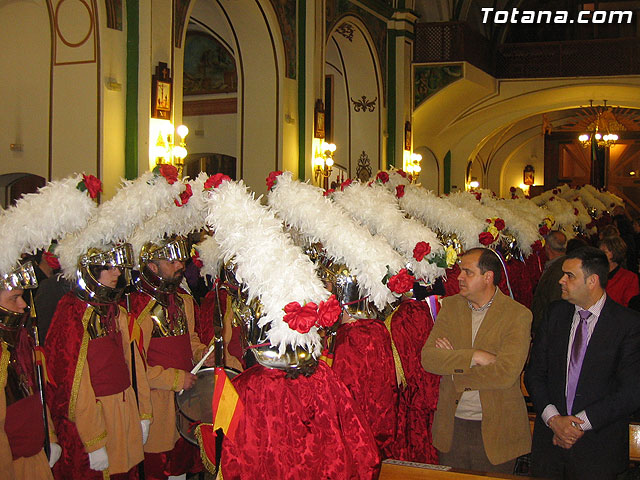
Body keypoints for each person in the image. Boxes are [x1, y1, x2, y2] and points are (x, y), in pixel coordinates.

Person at [525, 246, 640, 479]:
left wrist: (578, 425)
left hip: (598, 447)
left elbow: (631, 391)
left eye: (569, 275)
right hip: (550, 444)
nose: (561, 280)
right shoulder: (555, 314)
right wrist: (554, 420)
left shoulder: (627, 324)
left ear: (592, 281)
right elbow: (535, 373)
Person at [45, 246, 152, 480]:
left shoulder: (116, 312)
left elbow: (134, 364)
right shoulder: (73, 315)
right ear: (90, 270)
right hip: (97, 421)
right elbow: (74, 386)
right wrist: (93, 440)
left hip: (124, 413)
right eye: (108, 268)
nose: (117, 273)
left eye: (117, 267)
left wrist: (143, 412)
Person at [421, 248, 532, 473]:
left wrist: (454, 370)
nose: (459, 277)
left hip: (496, 430)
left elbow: (506, 374)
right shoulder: (450, 307)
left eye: (467, 272)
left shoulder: (517, 315)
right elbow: (429, 358)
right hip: (453, 428)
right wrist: (475, 356)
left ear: (488, 277)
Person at [128, 235, 212, 480]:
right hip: (156, 409)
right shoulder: (136, 308)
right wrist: (175, 379)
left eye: (180, 261)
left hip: (187, 404)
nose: (180, 266)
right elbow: (134, 368)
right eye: (172, 261)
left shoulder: (184, 301)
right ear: (152, 267)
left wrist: (201, 353)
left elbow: (191, 339)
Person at [0, 265, 60, 479]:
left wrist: (50, 437)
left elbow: (37, 395)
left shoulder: (22, 341)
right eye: (14, 298)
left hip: (36, 455)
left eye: (22, 297)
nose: (24, 304)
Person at [531, 231, 567, 334]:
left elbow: (555, 304)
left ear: (547, 247)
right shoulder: (562, 264)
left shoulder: (558, 270)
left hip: (548, 329)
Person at [599, 235, 639, 307]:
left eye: (604, 252)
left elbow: (630, 308)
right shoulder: (595, 274)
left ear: (614, 254)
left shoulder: (630, 278)